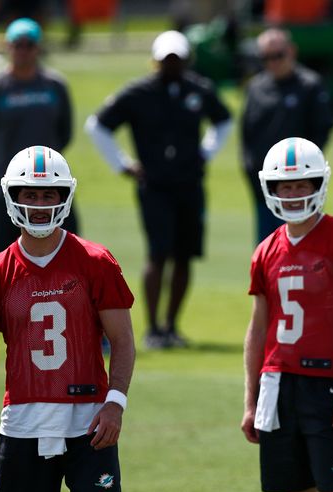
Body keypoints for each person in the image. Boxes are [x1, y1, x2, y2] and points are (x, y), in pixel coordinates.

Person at [0, 145, 136, 492]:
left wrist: (115, 404)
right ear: (13, 197)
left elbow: (123, 340)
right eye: (30, 195)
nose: (39, 205)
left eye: (48, 195)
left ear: (65, 197)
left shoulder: (96, 262)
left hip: (89, 421)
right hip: (23, 424)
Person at [241, 137, 333, 492]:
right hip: (277, 383)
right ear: (271, 189)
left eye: (302, 185)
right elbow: (258, 329)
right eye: (285, 187)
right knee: (295, 489)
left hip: (326, 383)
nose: (293, 194)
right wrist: (250, 400)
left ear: (319, 184)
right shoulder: (266, 248)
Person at [85, 29, 232, 350]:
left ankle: (172, 326)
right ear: (155, 61)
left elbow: (224, 120)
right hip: (155, 186)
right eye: (166, 60)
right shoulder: (139, 93)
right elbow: (97, 125)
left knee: (184, 256)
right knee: (158, 254)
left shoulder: (199, 89)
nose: (172, 65)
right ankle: (153, 328)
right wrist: (122, 164)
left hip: (189, 184)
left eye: (177, 59)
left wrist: (206, 153)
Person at [0, 17, 78, 254]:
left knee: (66, 255)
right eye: (17, 44)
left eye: (28, 44)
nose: (23, 50)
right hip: (8, 187)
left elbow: (66, 132)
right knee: (4, 257)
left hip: (52, 186)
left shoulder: (55, 86)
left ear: (38, 47)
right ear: (8, 47)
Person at [241, 27, 333, 244]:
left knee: (307, 244)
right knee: (269, 247)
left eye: (278, 56)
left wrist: (307, 171)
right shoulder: (256, 87)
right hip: (267, 186)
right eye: (266, 57)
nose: (273, 62)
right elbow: (247, 133)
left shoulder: (309, 85)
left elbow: (323, 127)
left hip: (301, 186)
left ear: (291, 51)